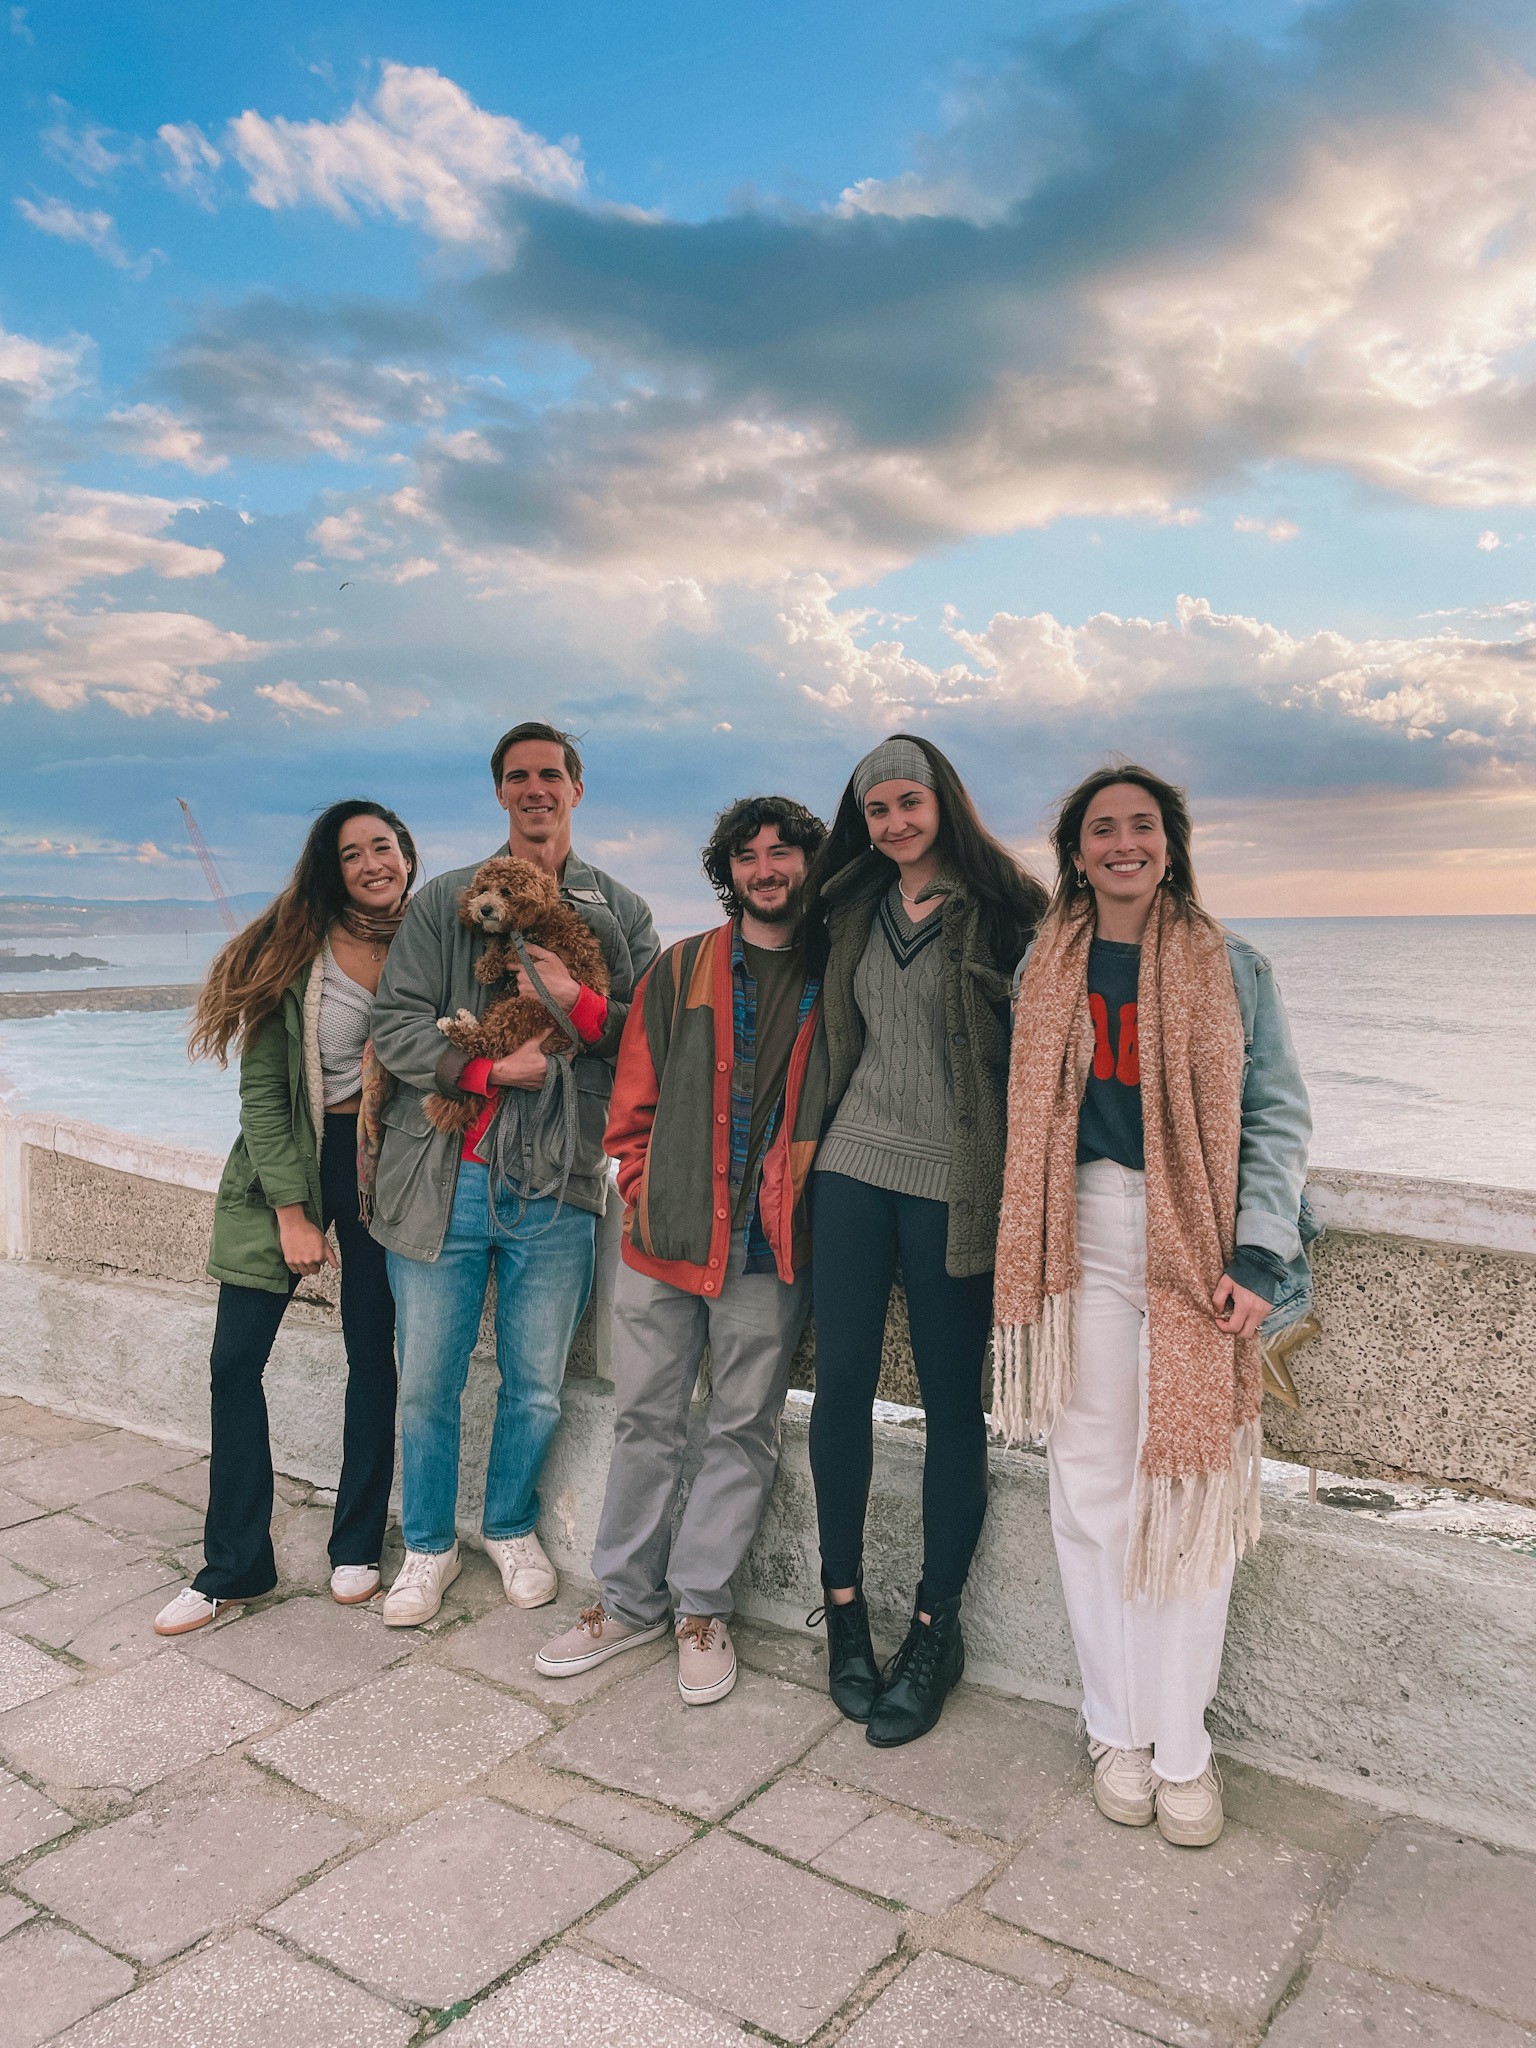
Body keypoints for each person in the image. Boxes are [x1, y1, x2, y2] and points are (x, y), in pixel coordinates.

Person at [994, 763, 1311, 1847]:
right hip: (1074, 1232)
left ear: (1169, 842)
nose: (1121, 843)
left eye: (1141, 826)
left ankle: (1184, 1743)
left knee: (1185, 1485)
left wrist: (1261, 1251)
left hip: (1193, 1238)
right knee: (1091, 1487)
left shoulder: (1235, 965)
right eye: (1100, 829)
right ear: (1076, 853)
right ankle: (1113, 1727)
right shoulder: (1047, 960)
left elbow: (1275, 1116)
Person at [535, 796, 829, 1705]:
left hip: (766, 1250)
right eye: (749, 856)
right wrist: (635, 1181)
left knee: (745, 1429)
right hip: (663, 1241)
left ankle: (702, 1606)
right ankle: (625, 1605)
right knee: (645, 1423)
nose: (767, 869)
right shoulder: (681, 968)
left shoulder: (838, 971)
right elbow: (634, 1100)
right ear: (728, 871)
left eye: (784, 853)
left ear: (811, 867)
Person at [368, 721, 659, 1627]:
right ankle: (426, 1547)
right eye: (518, 776)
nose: (536, 788)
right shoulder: (449, 899)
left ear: (577, 788)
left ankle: (506, 1526)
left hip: (561, 1180)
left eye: (551, 775)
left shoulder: (622, 911)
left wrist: (578, 1006)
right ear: (500, 792)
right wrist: (490, 1070)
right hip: (443, 1178)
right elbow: (397, 1025)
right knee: (426, 1382)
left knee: (535, 1384)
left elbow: (652, 1042)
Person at [803, 736, 1047, 1746]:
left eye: (909, 801)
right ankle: (846, 1609)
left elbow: (1047, 1052)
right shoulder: (849, 907)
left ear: (944, 798)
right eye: (877, 810)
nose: (895, 822)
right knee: (842, 1385)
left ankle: (935, 1629)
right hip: (850, 1170)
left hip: (957, 1185)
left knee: (956, 1408)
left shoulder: (1012, 910)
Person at [155, 800, 415, 1635]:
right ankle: (233, 1564)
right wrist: (292, 1214)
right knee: (235, 1364)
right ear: (329, 869)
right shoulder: (294, 950)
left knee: (372, 1358)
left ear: (406, 855)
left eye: (384, 846)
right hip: (293, 1167)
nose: (373, 863)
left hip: (388, 1169)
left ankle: (357, 1545)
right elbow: (264, 1093)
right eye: (353, 854)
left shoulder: (435, 942)